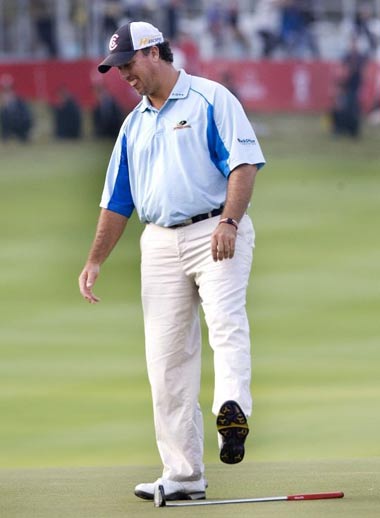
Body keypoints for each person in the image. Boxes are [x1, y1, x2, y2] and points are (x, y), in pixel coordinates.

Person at [78, 21, 265, 501]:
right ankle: (184, 476)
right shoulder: (133, 124)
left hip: (215, 228)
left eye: (128, 64)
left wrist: (228, 222)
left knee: (225, 323)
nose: (123, 74)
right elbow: (117, 201)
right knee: (165, 360)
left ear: (154, 52)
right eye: (116, 68)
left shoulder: (210, 98)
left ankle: (232, 415)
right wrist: (95, 261)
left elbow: (242, 166)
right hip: (158, 241)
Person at [0, 75, 34, 142]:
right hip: (9, 124)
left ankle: (23, 136)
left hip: (20, 123)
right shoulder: (2, 99)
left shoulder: (19, 99)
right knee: (4, 114)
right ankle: (6, 137)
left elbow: (25, 114)